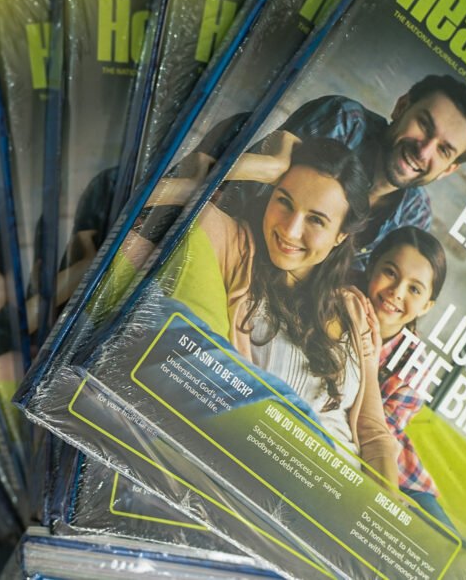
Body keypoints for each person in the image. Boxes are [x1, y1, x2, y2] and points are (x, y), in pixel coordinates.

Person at [154, 137, 401, 485]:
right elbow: (147, 201)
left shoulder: (354, 308)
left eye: (316, 220)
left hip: (341, 490)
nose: (290, 229)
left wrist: (386, 507)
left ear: (341, 236)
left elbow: (374, 434)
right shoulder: (233, 243)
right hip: (267, 473)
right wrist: (264, 167)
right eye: (284, 201)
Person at [151, 75, 466, 270]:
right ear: (401, 107)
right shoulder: (344, 120)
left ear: (449, 169)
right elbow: (249, 204)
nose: (424, 151)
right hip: (223, 247)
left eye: (443, 150)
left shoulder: (416, 214)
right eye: (424, 125)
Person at [360, 226, 466, 539]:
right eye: (390, 273)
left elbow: (381, 433)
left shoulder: (414, 365)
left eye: (415, 289)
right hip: (364, 447)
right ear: (372, 266)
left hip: (402, 472)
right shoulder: (340, 298)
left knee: (449, 544)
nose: (397, 292)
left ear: (427, 306)